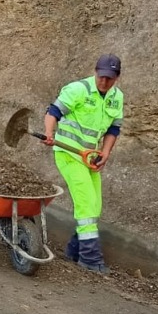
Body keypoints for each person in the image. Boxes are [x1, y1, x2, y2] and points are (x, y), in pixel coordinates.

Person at [40, 54, 125, 275]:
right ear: (95, 71)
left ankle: (74, 251)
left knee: (94, 206)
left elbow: (113, 129)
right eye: (101, 76)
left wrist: (104, 153)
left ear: (117, 77)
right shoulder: (78, 89)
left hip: (89, 157)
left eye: (110, 78)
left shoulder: (117, 97)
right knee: (86, 205)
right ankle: (90, 258)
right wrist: (49, 133)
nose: (104, 82)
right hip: (68, 153)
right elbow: (53, 112)